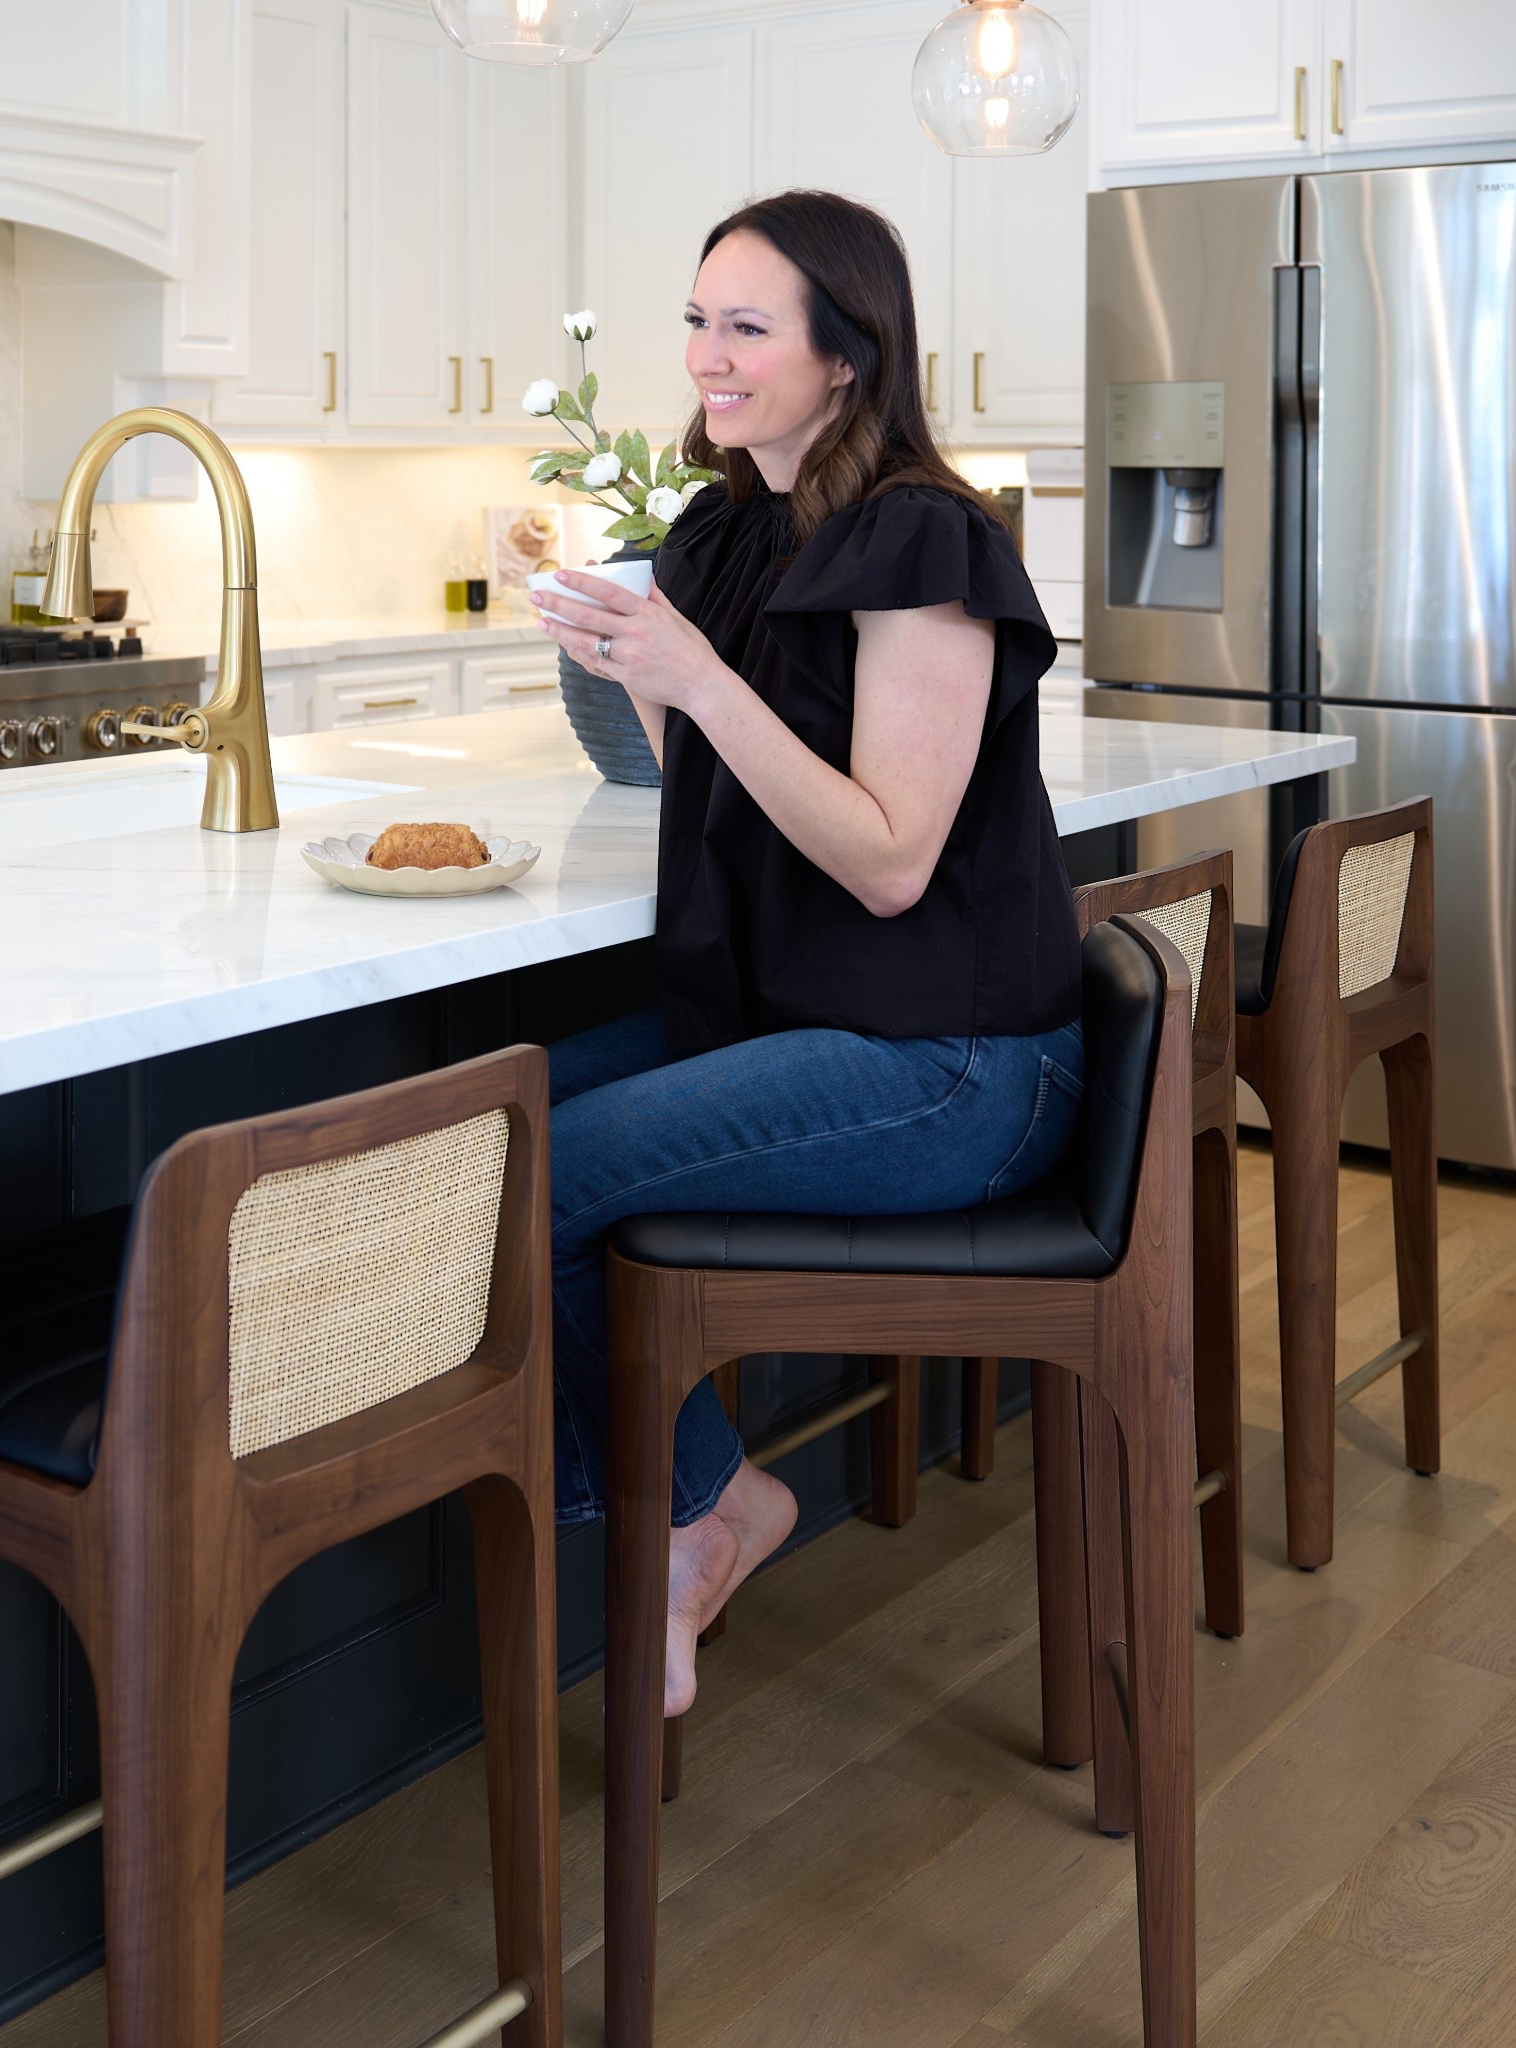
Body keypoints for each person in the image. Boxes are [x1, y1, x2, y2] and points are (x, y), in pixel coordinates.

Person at [530, 190, 1084, 1719]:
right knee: (485, 1136)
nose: (708, 356)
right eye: (698, 320)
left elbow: (895, 859)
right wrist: (631, 662)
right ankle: (720, 1502)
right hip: (801, 1024)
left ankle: (704, 1514)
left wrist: (696, 677)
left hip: (951, 1062)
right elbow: (703, 779)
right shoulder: (716, 528)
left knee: (548, 1170)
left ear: (848, 358)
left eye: (748, 327)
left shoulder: (926, 540)